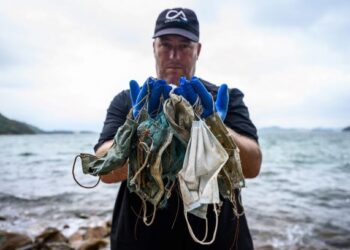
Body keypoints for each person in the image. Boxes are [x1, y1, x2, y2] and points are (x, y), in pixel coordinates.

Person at [94, 7, 262, 250]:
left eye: (184, 45)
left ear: (198, 50)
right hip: (140, 240)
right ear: (154, 47)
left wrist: (214, 127)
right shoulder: (130, 101)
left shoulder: (224, 99)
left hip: (220, 242)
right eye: (165, 44)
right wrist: (139, 135)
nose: (174, 54)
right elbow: (104, 169)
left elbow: (253, 165)